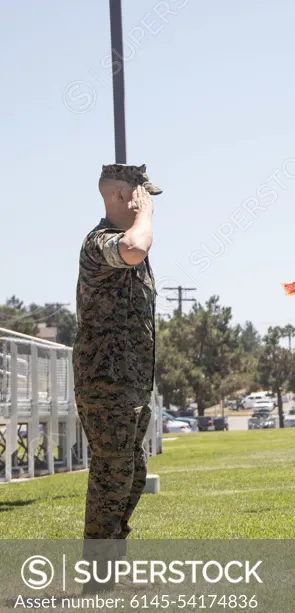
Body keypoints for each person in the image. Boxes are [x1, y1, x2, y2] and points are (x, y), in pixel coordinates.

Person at [73, 164, 159, 591]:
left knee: (131, 473)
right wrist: (144, 217)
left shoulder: (125, 244)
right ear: (122, 195)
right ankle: (98, 579)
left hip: (129, 383)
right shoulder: (100, 242)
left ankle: (109, 571)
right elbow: (134, 248)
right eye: (143, 195)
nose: (149, 203)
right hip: (106, 383)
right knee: (111, 473)